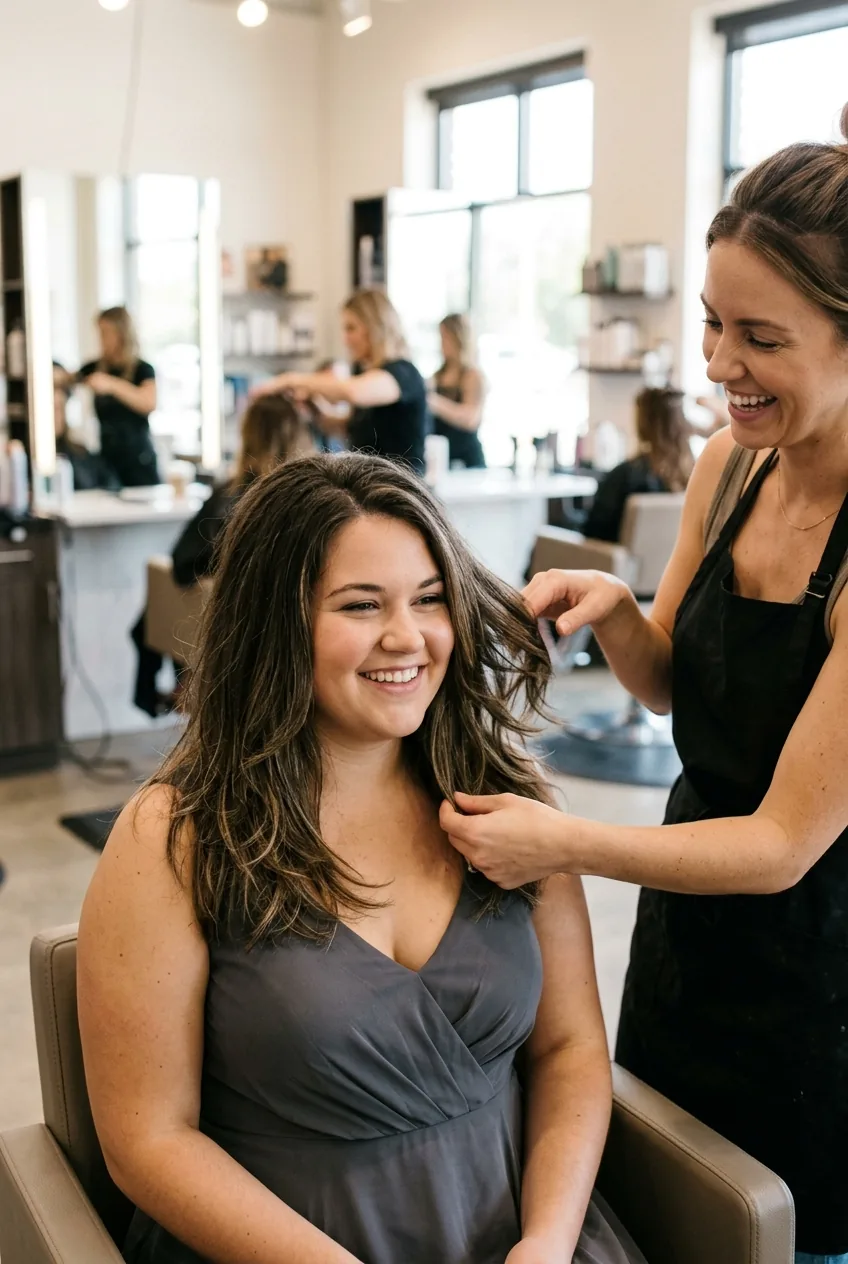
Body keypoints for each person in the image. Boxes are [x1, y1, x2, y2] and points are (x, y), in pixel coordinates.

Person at [440, 107, 848, 1264]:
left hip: (818, 972)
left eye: (758, 337)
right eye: (712, 323)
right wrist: (620, 614)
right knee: (675, 1201)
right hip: (689, 935)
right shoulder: (729, 465)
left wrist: (557, 843)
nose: (716, 366)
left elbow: (781, 842)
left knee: (784, 1232)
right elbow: (673, 683)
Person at [79, 452, 646, 1264]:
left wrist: (547, 1242)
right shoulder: (176, 836)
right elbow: (148, 1141)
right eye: (360, 605)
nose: (407, 637)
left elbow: (570, 1050)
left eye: (430, 599)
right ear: (275, 623)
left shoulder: (510, 801)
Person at [131, 393, 314, 718]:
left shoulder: (232, 494)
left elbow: (182, 563)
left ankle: (175, 688)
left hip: (236, 636)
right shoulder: (307, 501)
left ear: (249, 436)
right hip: (278, 635)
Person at [252, 289, 429, 473]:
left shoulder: (403, 373)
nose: (345, 340)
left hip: (401, 485)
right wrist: (314, 407)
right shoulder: (366, 374)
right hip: (374, 481)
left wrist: (290, 379)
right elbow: (348, 428)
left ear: (375, 327)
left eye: (351, 328)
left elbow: (353, 392)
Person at [577, 387, 694, 543]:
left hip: (612, 558)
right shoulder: (695, 475)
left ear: (642, 423)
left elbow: (592, 534)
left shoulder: (624, 476)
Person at [79, 307, 159, 488]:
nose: (101, 339)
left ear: (121, 334)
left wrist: (112, 385)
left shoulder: (142, 370)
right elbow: (68, 378)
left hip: (139, 460)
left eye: (106, 333)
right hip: (108, 460)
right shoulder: (94, 368)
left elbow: (148, 403)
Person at [427, 312, 486, 469]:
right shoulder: (438, 375)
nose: (442, 344)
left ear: (458, 338)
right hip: (442, 457)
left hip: (466, 458)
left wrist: (435, 403)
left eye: (446, 338)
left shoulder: (472, 376)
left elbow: (471, 419)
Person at [52, 362, 118, 491]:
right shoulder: (19, 459)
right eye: (50, 388)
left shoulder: (82, 454)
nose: (57, 399)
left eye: (62, 389)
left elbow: (112, 488)